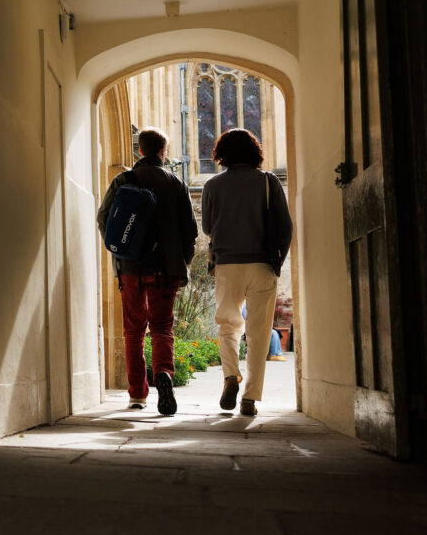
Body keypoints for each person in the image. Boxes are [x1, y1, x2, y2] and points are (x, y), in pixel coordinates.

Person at [97, 128, 198, 415]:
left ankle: (137, 395)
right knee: (162, 328)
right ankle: (164, 373)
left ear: (140, 150)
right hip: (165, 269)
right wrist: (183, 263)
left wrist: (120, 251)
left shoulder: (123, 180)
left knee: (133, 332)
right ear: (163, 151)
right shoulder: (175, 183)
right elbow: (189, 230)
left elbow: (104, 218)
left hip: (130, 268)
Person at [201, 128, 293, 416]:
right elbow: (285, 226)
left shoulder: (213, 185)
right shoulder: (268, 182)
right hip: (262, 264)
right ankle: (250, 398)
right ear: (255, 152)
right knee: (259, 333)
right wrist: (277, 262)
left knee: (228, 326)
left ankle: (230, 376)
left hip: (227, 264)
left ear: (222, 153)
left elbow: (206, 228)